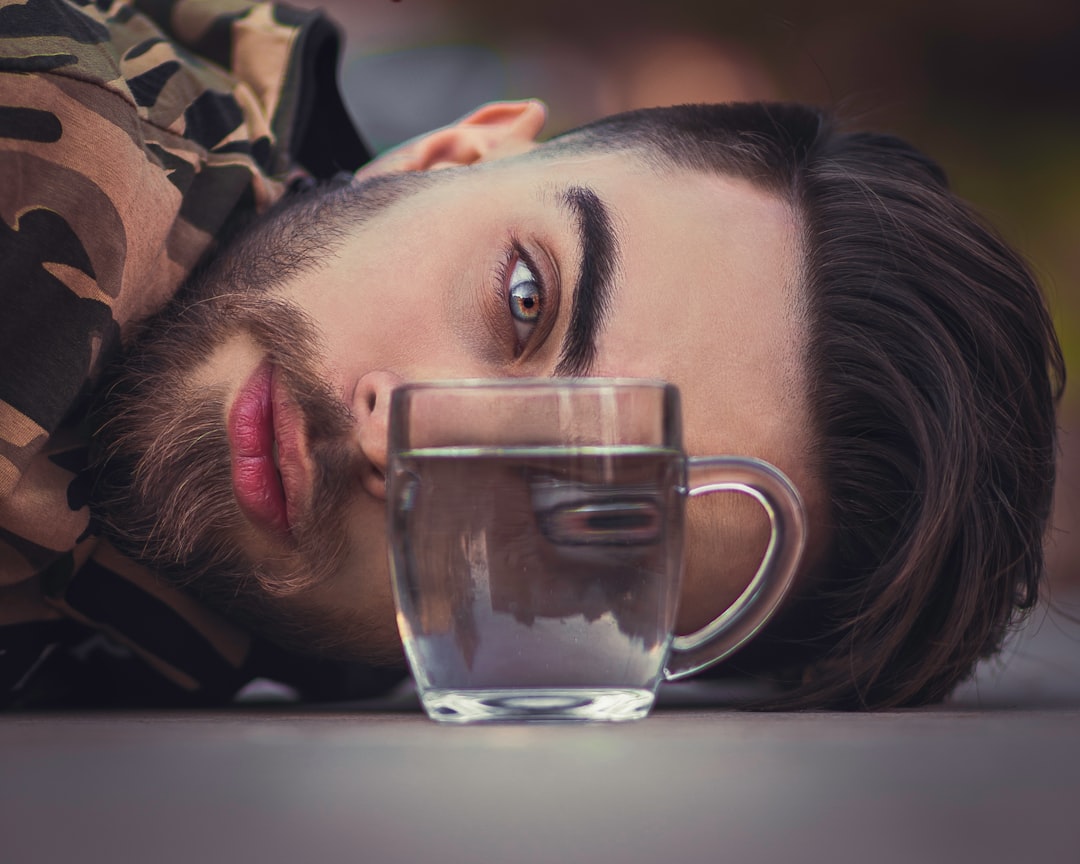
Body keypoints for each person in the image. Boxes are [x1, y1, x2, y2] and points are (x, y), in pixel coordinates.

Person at [0, 0, 1063, 710]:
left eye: (571, 532)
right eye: (524, 300)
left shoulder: (279, 638)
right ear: (450, 153)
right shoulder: (52, 139)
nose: (401, 436)